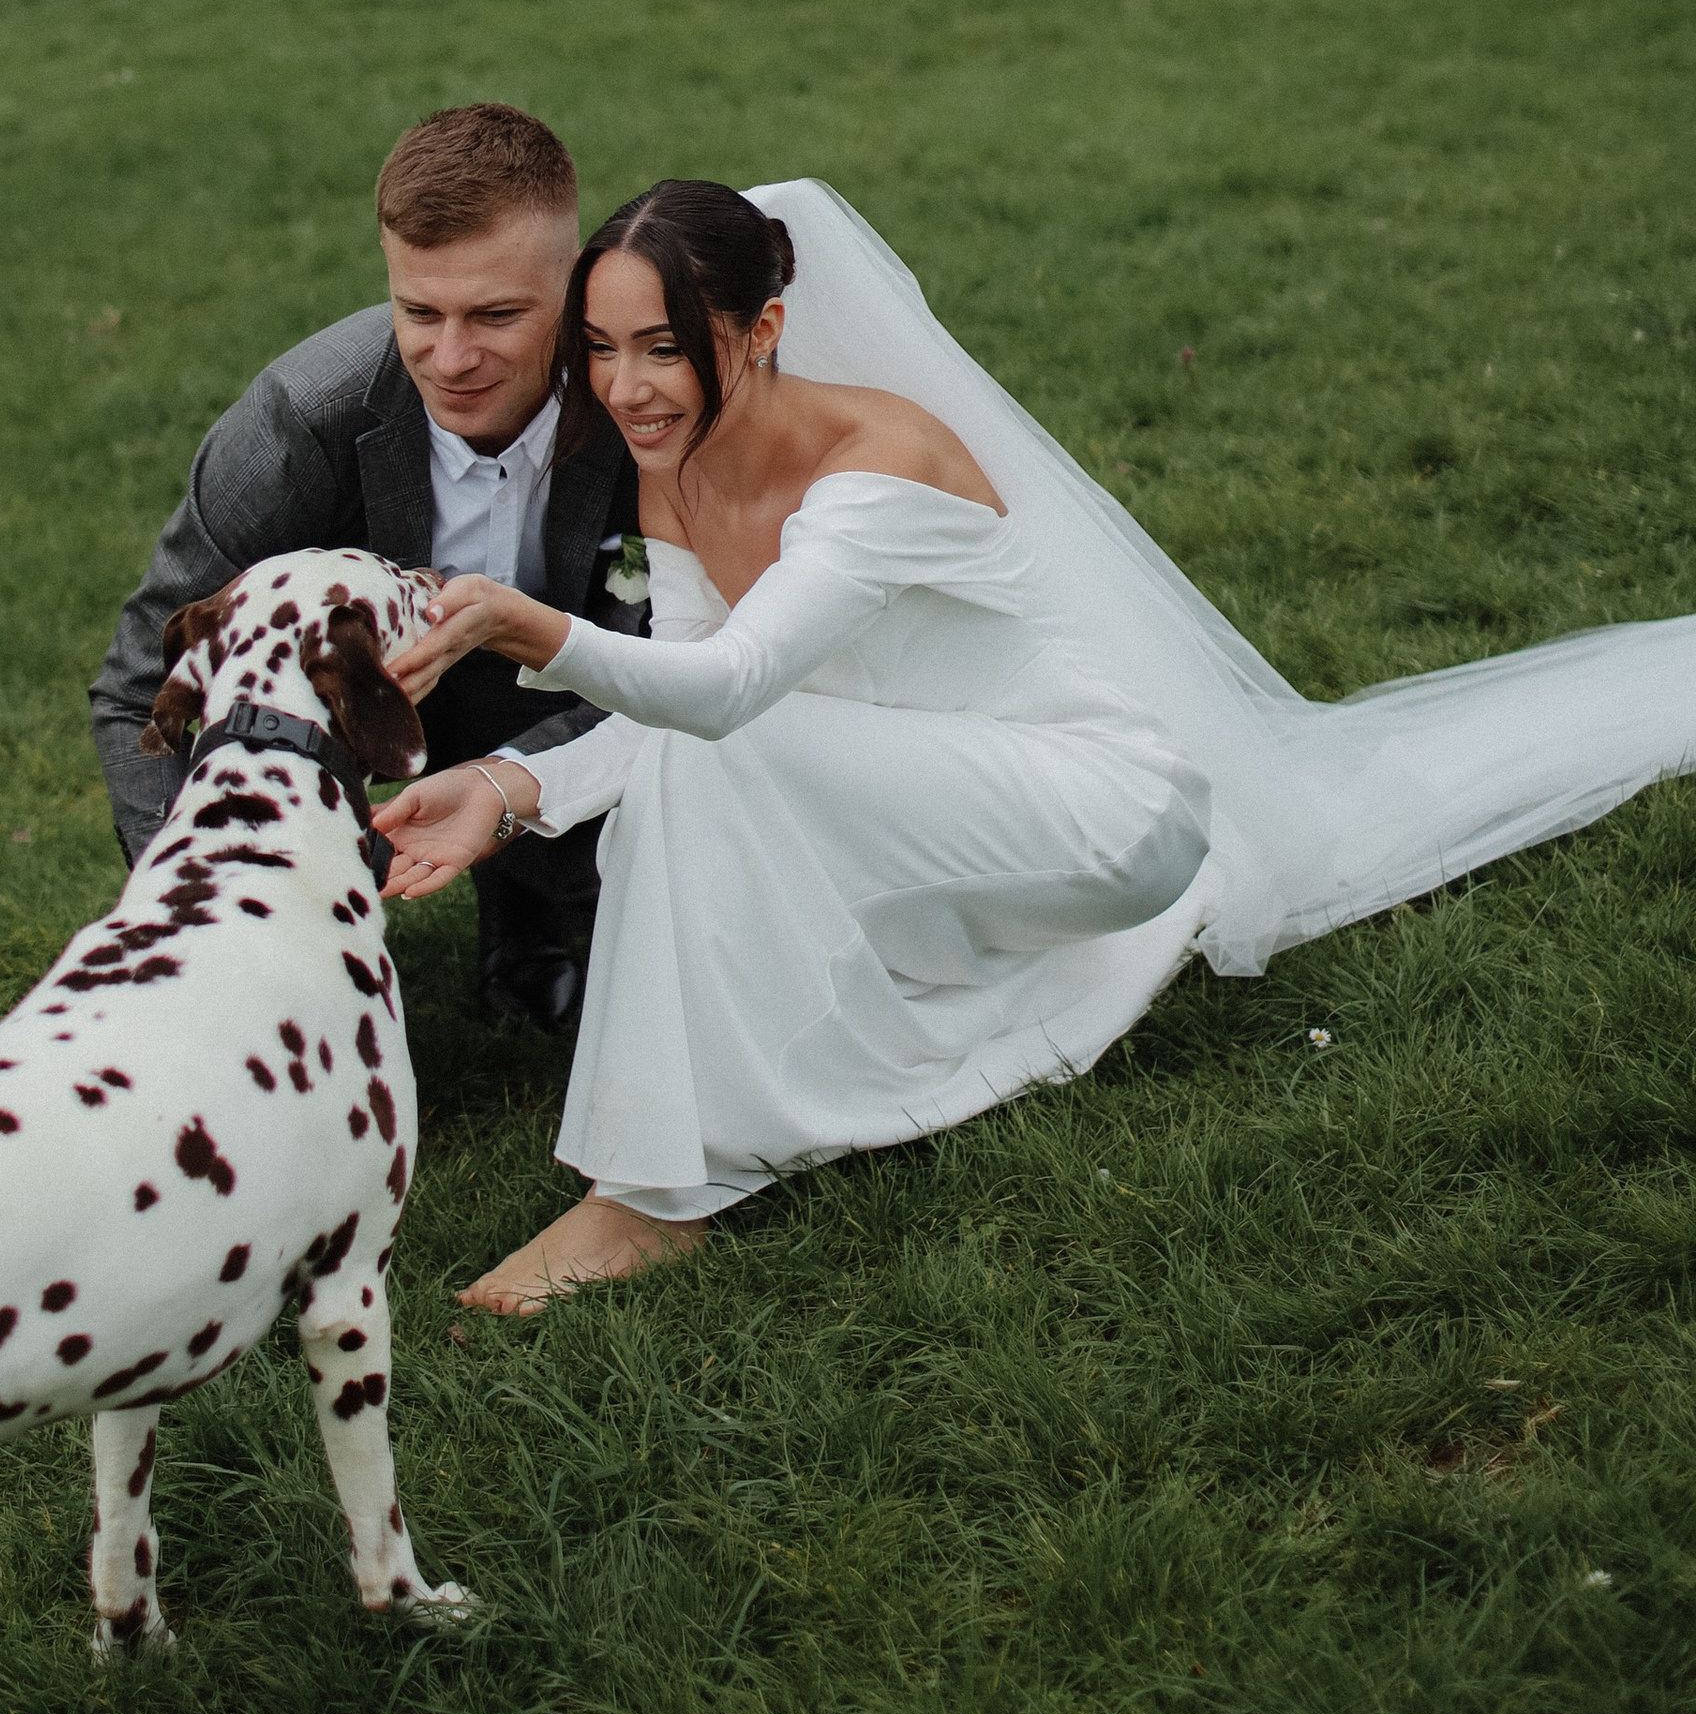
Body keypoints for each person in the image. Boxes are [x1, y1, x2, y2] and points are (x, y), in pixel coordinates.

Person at [378, 177, 1696, 1313]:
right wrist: (508, 783)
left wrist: (530, 629)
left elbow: (726, 692)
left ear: (763, 328)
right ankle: (694, 1148)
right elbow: (683, 699)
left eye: (663, 348)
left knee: (720, 749)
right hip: (942, 793)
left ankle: (657, 1195)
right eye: (600, 350)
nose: (623, 388)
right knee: (704, 759)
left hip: (1107, 811)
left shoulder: (875, 466)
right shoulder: (675, 465)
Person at [88, 102, 648, 1031]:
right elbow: (139, 683)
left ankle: (539, 910)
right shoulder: (302, 422)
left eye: (498, 315)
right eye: (419, 312)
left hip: (572, 682)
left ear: (574, 281)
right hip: (359, 694)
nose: (452, 357)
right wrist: (188, 898)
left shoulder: (643, 398)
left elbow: (687, 655)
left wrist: (511, 791)